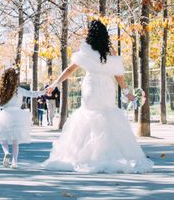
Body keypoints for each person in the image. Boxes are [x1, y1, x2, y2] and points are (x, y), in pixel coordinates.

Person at [43, 20, 153, 174]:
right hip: (107, 87)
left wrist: (54, 84)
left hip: (91, 86)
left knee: (87, 116)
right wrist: (127, 93)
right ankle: (109, 155)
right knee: (108, 117)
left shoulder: (86, 50)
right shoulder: (110, 51)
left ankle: (84, 156)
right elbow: (118, 75)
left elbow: (69, 70)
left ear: (90, 33)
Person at [0, 68, 44, 169]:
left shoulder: (1, 91)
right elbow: (33, 94)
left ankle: (6, 152)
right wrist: (45, 91)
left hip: (5, 115)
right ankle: (15, 162)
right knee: (15, 141)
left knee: (3, 138)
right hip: (18, 115)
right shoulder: (19, 90)